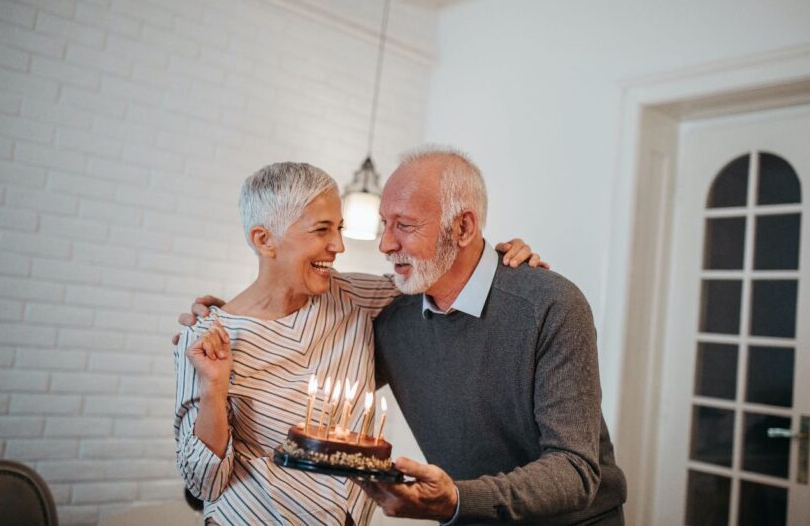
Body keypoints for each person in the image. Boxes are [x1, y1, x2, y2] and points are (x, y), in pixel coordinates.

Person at [173, 161, 541, 526]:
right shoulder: (206, 340)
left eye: (339, 228)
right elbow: (203, 482)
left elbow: (441, 272)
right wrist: (213, 390)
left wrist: (503, 263)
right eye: (321, 230)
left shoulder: (357, 297)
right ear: (264, 240)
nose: (338, 246)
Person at [358, 147, 627, 525]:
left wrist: (457, 500)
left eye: (404, 225)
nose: (385, 244)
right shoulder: (394, 318)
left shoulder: (550, 305)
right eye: (384, 223)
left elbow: (574, 470)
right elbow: (329, 388)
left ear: (463, 228)